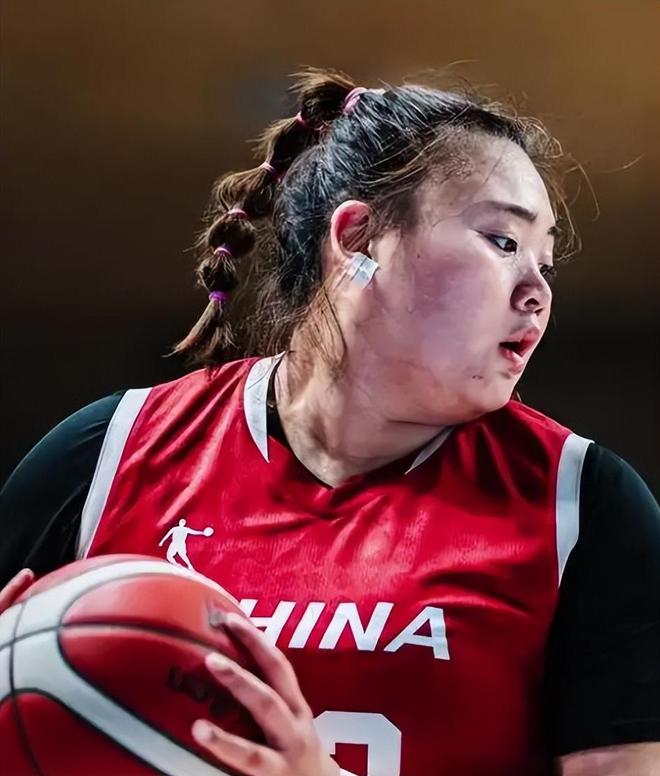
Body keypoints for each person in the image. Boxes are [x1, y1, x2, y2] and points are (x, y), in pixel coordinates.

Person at [1, 68, 659, 776]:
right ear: (359, 237)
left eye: (546, 264)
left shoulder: (583, 504)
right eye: (503, 242)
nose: (536, 293)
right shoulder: (106, 454)